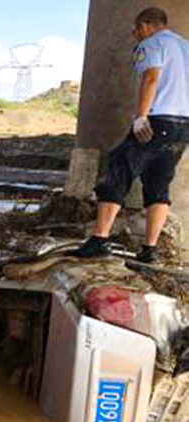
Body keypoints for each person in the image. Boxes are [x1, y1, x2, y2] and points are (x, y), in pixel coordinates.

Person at [72, 7, 189, 264]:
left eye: (135, 29)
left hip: (158, 120)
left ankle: (100, 240)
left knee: (117, 169)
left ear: (146, 25)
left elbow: (151, 77)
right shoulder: (185, 46)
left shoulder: (152, 43)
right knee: (158, 183)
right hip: (183, 126)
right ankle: (150, 250)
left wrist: (141, 117)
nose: (134, 35)